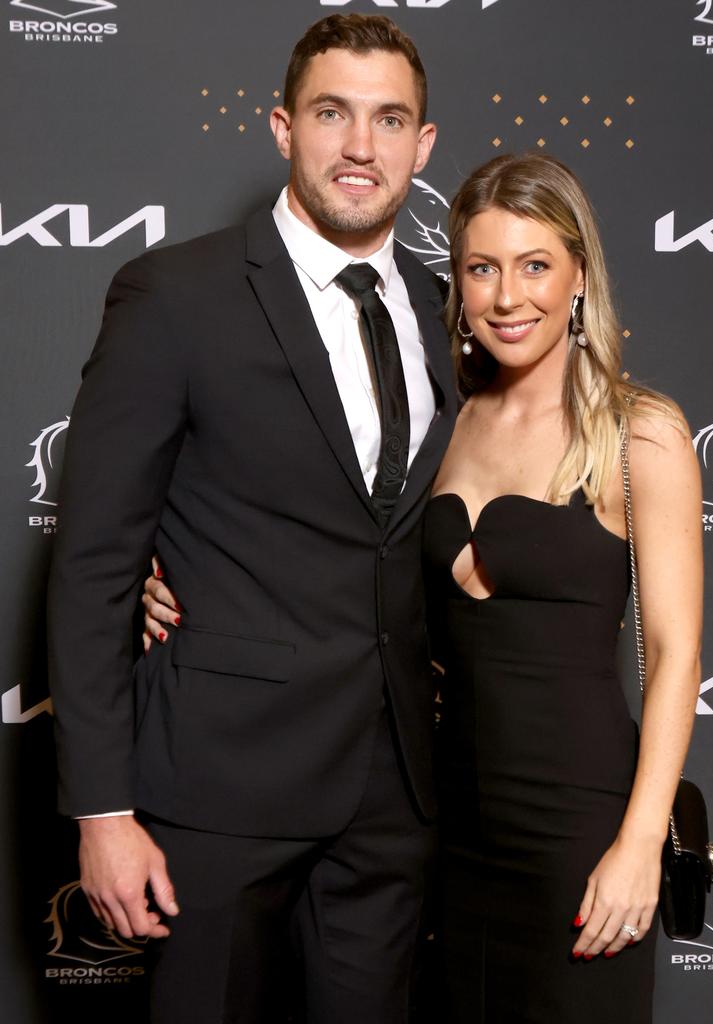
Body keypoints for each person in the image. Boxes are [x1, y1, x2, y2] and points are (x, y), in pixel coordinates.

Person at [47, 14, 456, 1024]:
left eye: (388, 119)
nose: (360, 146)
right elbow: (97, 559)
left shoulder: (443, 307)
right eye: (332, 114)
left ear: (423, 144)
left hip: (393, 793)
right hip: (217, 788)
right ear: (282, 127)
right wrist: (102, 810)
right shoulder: (176, 295)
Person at [421, 153, 703, 1022]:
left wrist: (637, 845)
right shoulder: (444, 421)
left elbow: (675, 652)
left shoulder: (639, 433)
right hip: (443, 837)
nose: (509, 297)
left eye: (535, 265)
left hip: (580, 833)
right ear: (460, 283)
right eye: (483, 268)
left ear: (580, 275)